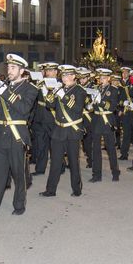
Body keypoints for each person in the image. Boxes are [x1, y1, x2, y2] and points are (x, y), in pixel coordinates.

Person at [0, 54, 38, 216]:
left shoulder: (30, 89)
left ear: (22, 70)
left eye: (13, 68)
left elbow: (24, 108)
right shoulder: (4, 86)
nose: (9, 71)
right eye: (8, 67)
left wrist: (5, 92)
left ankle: (19, 205)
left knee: (19, 174)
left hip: (17, 135)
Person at [40, 65, 86, 196]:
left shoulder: (79, 91)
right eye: (63, 75)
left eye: (67, 75)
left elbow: (77, 109)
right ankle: (50, 190)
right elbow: (50, 106)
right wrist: (49, 94)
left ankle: (76, 189)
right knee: (55, 161)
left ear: (73, 76)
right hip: (58, 130)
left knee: (73, 162)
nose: (64, 77)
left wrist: (63, 96)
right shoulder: (59, 88)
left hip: (72, 131)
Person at [89, 68, 120, 182]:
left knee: (110, 148)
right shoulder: (95, 89)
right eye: (100, 78)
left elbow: (112, 107)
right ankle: (96, 174)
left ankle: (115, 172)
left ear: (108, 78)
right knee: (95, 149)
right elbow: (92, 106)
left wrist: (100, 101)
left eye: (103, 78)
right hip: (97, 119)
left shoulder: (113, 90)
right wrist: (91, 103)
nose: (101, 80)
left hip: (107, 119)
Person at [31, 62, 59, 177]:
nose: (49, 73)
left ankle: (59, 166)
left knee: (55, 146)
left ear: (56, 72)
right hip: (40, 117)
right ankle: (40, 168)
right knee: (41, 144)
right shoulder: (40, 83)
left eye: (51, 71)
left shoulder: (60, 85)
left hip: (53, 118)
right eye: (47, 71)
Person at [77, 68, 94, 168]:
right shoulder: (78, 87)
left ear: (88, 77)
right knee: (78, 141)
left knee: (88, 141)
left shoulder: (92, 88)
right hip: (78, 117)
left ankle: (91, 160)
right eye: (80, 79)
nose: (82, 81)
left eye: (84, 78)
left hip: (88, 117)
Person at [118, 67, 133, 160]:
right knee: (126, 134)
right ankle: (124, 154)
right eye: (123, 73)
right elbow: (118, 97)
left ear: (129, 73)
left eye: (126, 73)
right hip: (126, 111)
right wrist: (121, 107)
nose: (124, 74)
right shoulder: (119, 82)